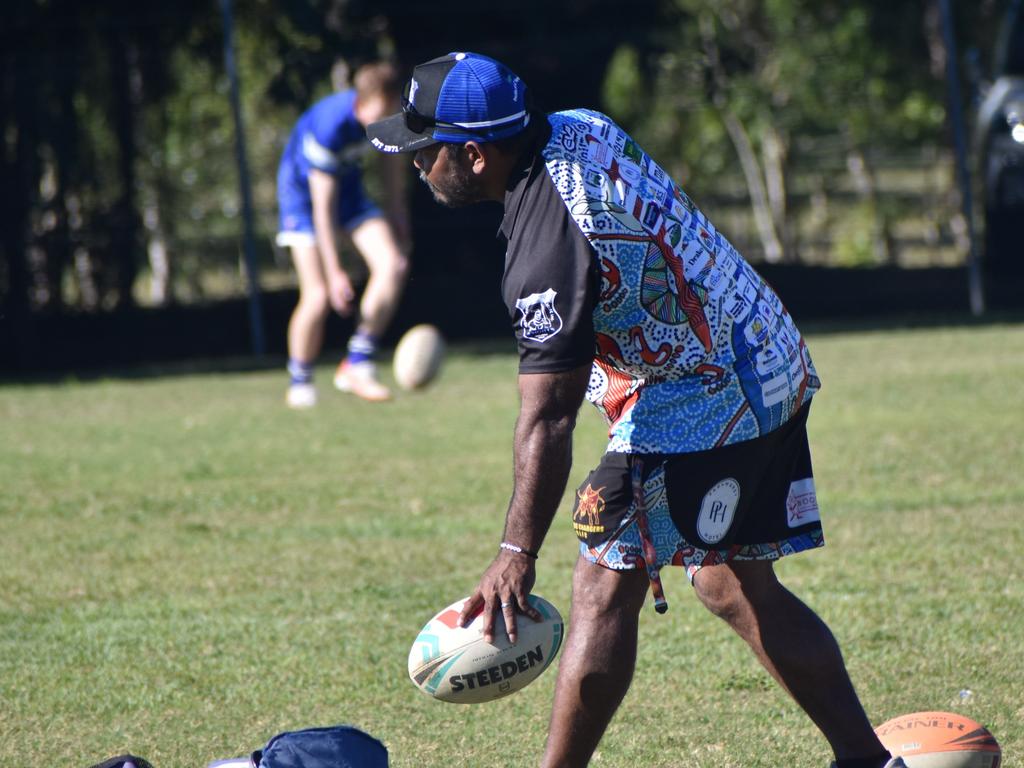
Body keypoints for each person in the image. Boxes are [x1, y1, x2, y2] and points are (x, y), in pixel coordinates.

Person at [367, 52, 905, 768]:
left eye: (425, 151)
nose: (416, 164)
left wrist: (514, 555)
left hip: (709, 385)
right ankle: (868, 761)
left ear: (474, 154)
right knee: (726, 578)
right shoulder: (574, 126)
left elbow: (548, 416)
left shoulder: (548, 246)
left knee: (599, 579)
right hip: (762, 347)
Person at [276, 60, 411, 408]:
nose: (389, 116)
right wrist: (334, 270)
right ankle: (300, 378)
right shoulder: (330, 126)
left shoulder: (383, 119)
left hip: (350, 197)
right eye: (383, 109)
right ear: (361, 103)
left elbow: (390, 165)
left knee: (392, 263)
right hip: (304, 203)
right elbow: (322, 209)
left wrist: (397, 215)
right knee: (318, 295)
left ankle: (358, 361)